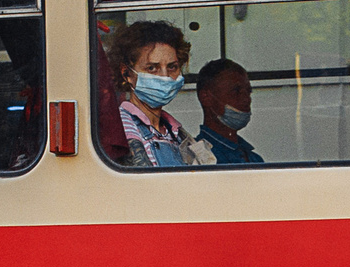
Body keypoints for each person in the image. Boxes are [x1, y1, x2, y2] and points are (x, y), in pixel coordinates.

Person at [110, 21, 208, 168]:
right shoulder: (122, 127)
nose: (165, 76)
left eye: (172, 67)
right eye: (152, 68)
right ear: (126, 74)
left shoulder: (176, 132)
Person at [192, 59, 263, 164]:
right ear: (206, 97)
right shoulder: (198, 157)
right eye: (236, 91)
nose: (246, 99)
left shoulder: (254, 158)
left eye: (248, 92)